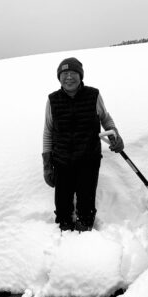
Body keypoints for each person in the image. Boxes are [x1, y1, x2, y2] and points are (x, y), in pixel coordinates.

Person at [42, 57, 124, 231]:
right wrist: (47, 164)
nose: (69, 77)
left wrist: (115, 135)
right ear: (59, 77)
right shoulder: (52, 100)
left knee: (86, 201)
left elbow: (105, 118)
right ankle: (65, 230)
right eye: (64, 74)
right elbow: (48, 131)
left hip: (89, 159)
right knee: (63, 203)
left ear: (80, 76)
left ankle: (85, 229)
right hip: (62, 160)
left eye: (73, 73)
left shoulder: (93, 95)